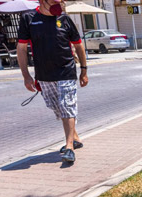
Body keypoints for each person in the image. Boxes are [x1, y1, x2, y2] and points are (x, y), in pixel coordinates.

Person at [16, 0, 88, 163]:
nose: (59, 3)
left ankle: (69, 147)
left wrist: (83, 70)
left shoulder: (65, 19)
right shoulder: (28, 18)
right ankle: (75, 138)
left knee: (67, 106)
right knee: (57, 107)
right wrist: (26, 76)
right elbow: (21, 48)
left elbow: (78, 46)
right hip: (44, 74)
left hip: (66, 71)